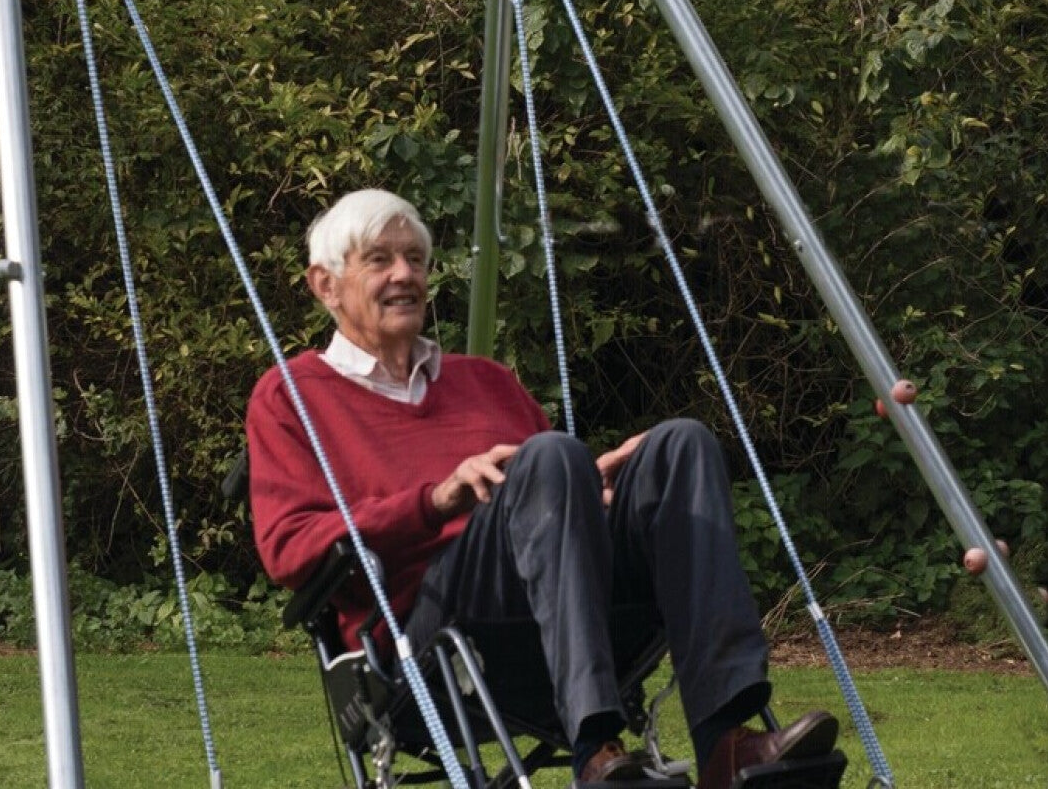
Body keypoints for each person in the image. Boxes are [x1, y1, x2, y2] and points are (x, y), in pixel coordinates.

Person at [247, 189, 839, 787]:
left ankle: (726, 742)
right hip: (430, 639)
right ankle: (594, 748)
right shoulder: (290, 395)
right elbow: (287, 548)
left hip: (564, 612)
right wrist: (434, 501)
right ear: (325, 285)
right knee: (551, 455)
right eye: (379, 259)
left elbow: (547, 493)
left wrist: (592, 488)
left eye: (416, 259)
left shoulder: (486, 381)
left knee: (679, 446)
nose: (405, 274)